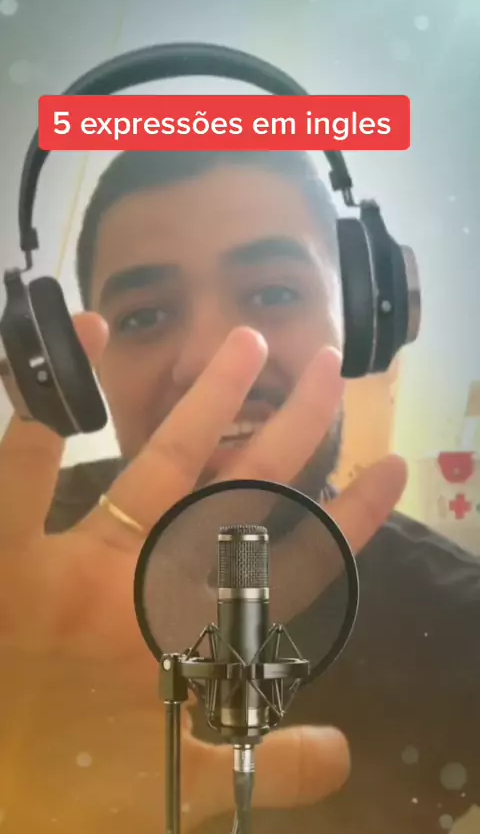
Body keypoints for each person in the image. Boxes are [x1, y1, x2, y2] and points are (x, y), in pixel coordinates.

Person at [0, 150, 478, 834]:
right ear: (78, 370)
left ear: (362, 323)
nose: (210, 358)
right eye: (143, 316)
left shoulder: (462, 630)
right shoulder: (10, 584)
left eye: (274, 294)